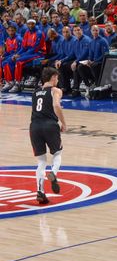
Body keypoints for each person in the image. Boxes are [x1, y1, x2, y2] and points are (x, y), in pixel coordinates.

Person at [29, 67, 67, 204]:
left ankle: (40, 191)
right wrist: (63, 123)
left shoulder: (35, 92)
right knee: (57, 153)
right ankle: (54, 174)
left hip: (34, 126)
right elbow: (56, 106)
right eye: (56, 77)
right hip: (49, 125)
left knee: (41, 161)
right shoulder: (55, 90)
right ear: (52, 78)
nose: (57, 80)